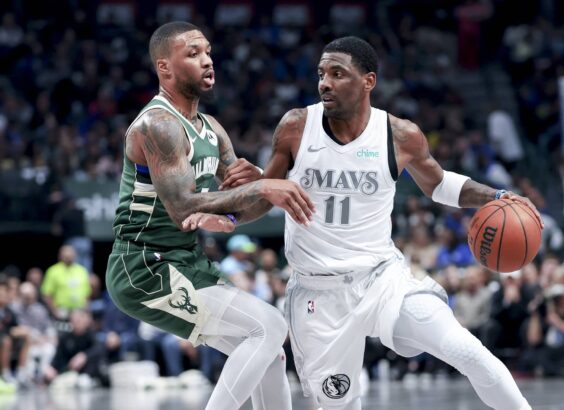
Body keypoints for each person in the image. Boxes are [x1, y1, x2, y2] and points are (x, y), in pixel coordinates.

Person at [219, 36, 542, 409]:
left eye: (337, 74)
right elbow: (267, 195)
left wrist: (497, 196)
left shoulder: (400, 135)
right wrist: (229, 214)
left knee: (468, 352)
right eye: (322, 74)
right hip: (317, 293)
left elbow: (438, 184)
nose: (325, 83)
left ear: (368, 81)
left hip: (382, 279)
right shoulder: (296, 126)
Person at [105, 21, 314, 410]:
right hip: (144, 264)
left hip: (185, 260)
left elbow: (246, 204)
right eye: (193, 54)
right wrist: (261, 187)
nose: (207, 61)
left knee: (269, 352)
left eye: (207, 52)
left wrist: (266, 181)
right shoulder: (158, 124)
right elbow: (184, 206)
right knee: (269, 326)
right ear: (164, 67)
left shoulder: (212, 130)